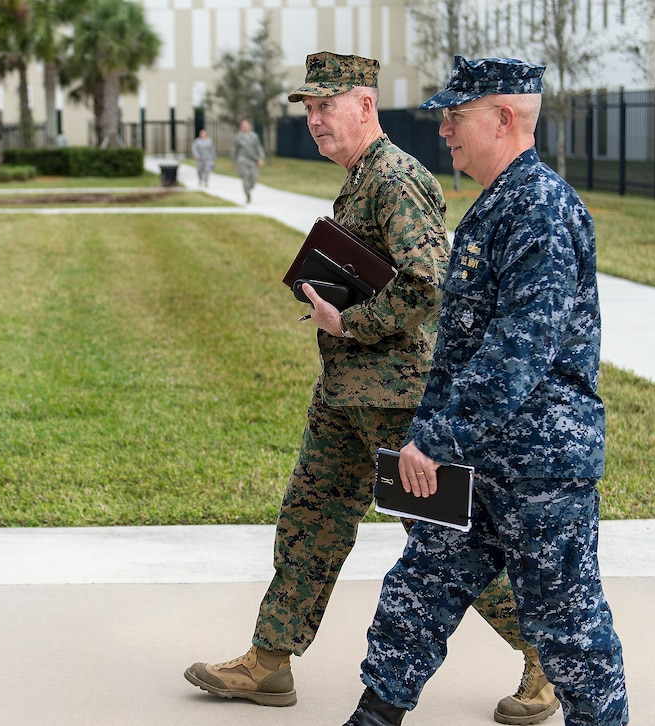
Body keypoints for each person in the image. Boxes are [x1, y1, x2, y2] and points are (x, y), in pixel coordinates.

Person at [184, 52, 556, 724]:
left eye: (326, 106)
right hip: (346, 394)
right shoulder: (361, 180)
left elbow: (429, 285)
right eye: (308, 109)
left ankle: (548, 657)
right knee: (310, 522)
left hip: (397, 399)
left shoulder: (394, 178)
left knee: (448, 536)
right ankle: (268, 661)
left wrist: (347, 317)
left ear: (365, 105)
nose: (315, 121)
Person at [342, 56, 629, 726]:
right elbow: (461, 347)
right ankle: (373, 717)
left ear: (503, 118)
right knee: (416, 593)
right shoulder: (498, 205)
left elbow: (521, 347)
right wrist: (431, 433)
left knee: (568, 631)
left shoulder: (542, 210)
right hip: (474, 461)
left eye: (456, 115)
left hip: (540, 466)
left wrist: (437, 438)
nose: (444, 128)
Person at [230, 119, 264, 203]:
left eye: (246, 125)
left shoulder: (254, 136)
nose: (245, 127)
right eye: (243, 126)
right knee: (245, 176)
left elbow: (259, 148)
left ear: (249, 126)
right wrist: (233, 161)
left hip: (252, 159)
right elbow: (234, 150)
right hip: (242, 159)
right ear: (241, 127)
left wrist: (261, 158)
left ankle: (250, 187)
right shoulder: (238, 137)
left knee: (254, 176)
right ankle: (247, 193)